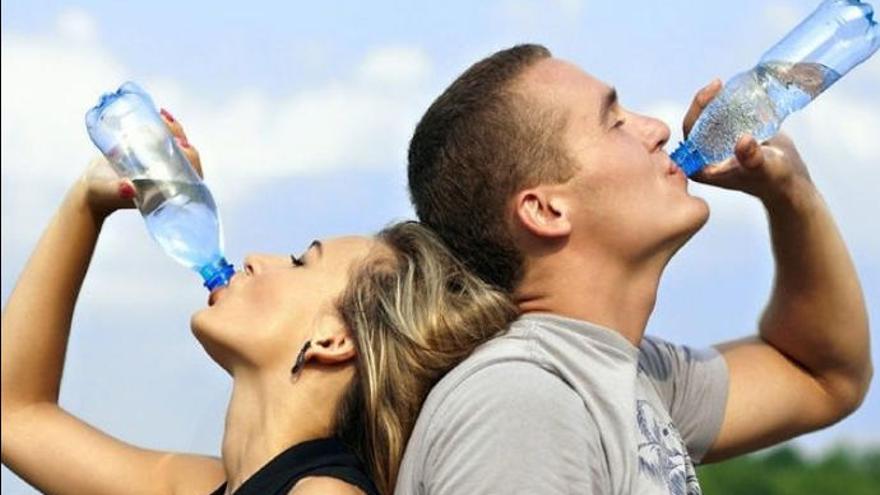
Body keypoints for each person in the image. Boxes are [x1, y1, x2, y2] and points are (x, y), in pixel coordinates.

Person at [397, 44, 873, 494]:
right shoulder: (522, 403)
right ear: (545, 211)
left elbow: (824, 376)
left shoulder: (626, 374)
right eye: (614, 122)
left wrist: (790, 193)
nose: (658, 129)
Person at [0, 113, 517, 495]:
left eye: (299, 261)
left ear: (332, 341)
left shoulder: (323, 494)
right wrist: (87, 203)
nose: (255, 258)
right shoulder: (208, 486)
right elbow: (13, 415)